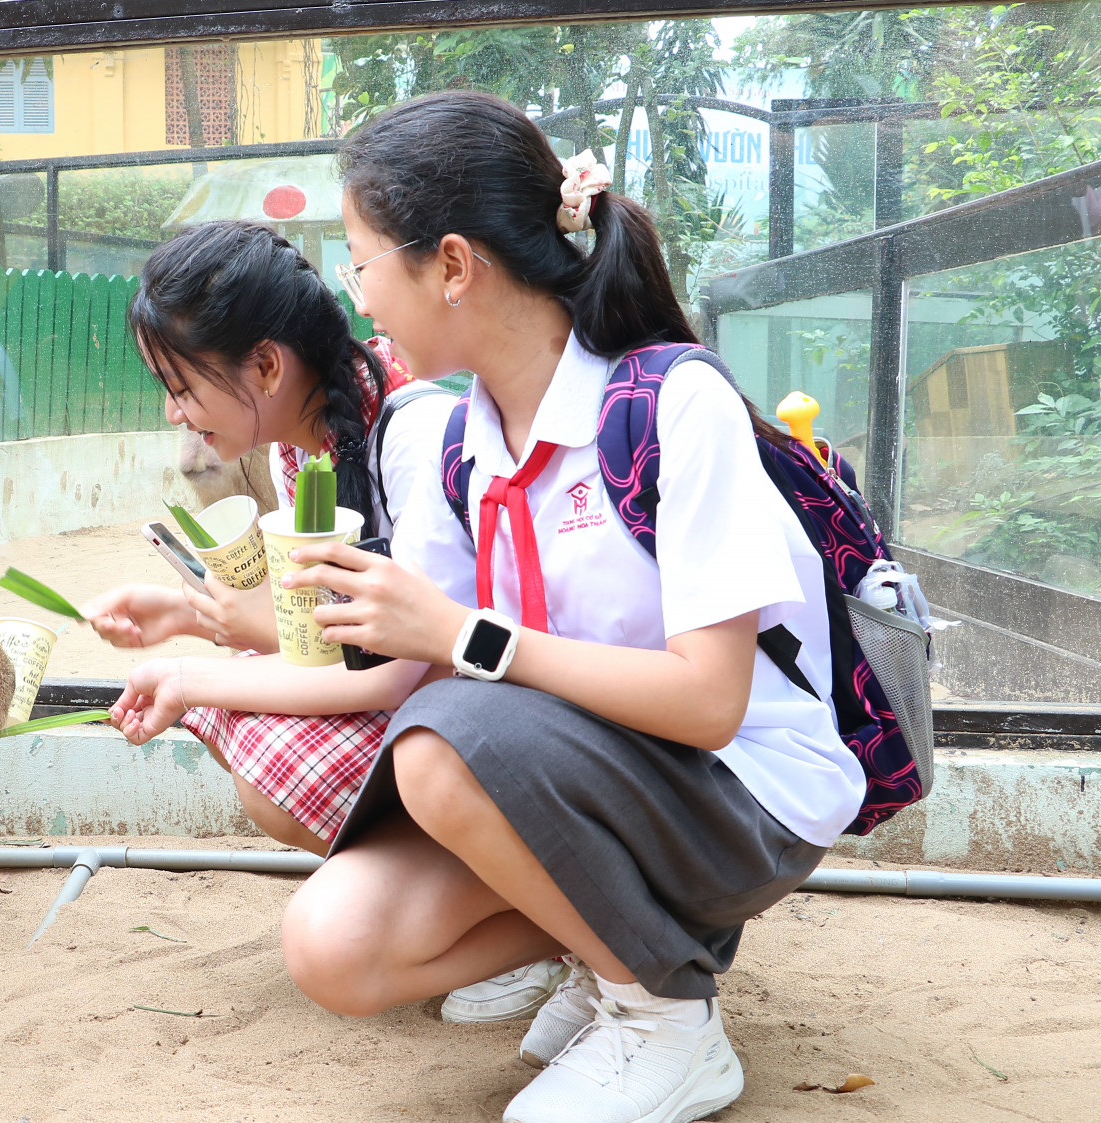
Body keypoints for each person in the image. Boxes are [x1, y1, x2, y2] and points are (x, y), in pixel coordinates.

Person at [109, 91, 858, 1123]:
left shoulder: (666, 403)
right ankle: (614, 953)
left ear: (452, 265)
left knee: (436, 740)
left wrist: (456, 635)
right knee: (333, 947)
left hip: (739, 793)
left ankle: (662, 1018)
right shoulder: (467, 442)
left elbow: (706, 703)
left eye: (363, 258)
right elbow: (419, 667)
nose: (353, 295)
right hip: (602, 777)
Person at [80, 219, 569, 1027]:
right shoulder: (297, 445)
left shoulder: (411, 434)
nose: (175, 412)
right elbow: (328, 631)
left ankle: (556, 926)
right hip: (445, 704)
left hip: (506, 715)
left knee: (265, 742)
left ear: (266, 365)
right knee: (252, 736)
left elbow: (396, 661)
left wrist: (194, 672)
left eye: (182, 385)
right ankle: (511, 915)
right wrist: (192, 615)